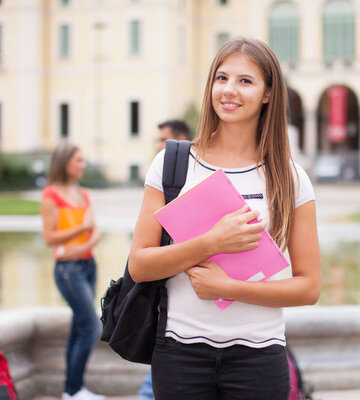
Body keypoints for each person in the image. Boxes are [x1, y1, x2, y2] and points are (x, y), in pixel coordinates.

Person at [128, 37, 321, 399]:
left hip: (259, 357)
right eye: (221, 78)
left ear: (267, 93)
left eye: (245, 81)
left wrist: (228, 288)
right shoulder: (172, 165)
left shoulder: (290, 177)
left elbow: (309, 287)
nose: (229, 90)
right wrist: (211, 242)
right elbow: (139, 265)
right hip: (180, 354)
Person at [40, 142, 105, 400]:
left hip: (87, 264)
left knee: (80, 327)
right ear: (65, 163)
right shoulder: (50, 196)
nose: (83, 164)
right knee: (90, 327)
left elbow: (95, 230)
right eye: (78, 160)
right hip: (67, 270)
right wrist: (82, 231)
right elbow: (49, 237)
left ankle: (72, 390)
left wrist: (83, 247)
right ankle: (75, 390)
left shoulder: (83, 193)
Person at [137, 119, 193, 400]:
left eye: (163, 139)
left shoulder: (180, 169)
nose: (159, 145)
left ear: (179, 138)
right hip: (164, 297)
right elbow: (140, 260)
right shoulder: (162, 169)